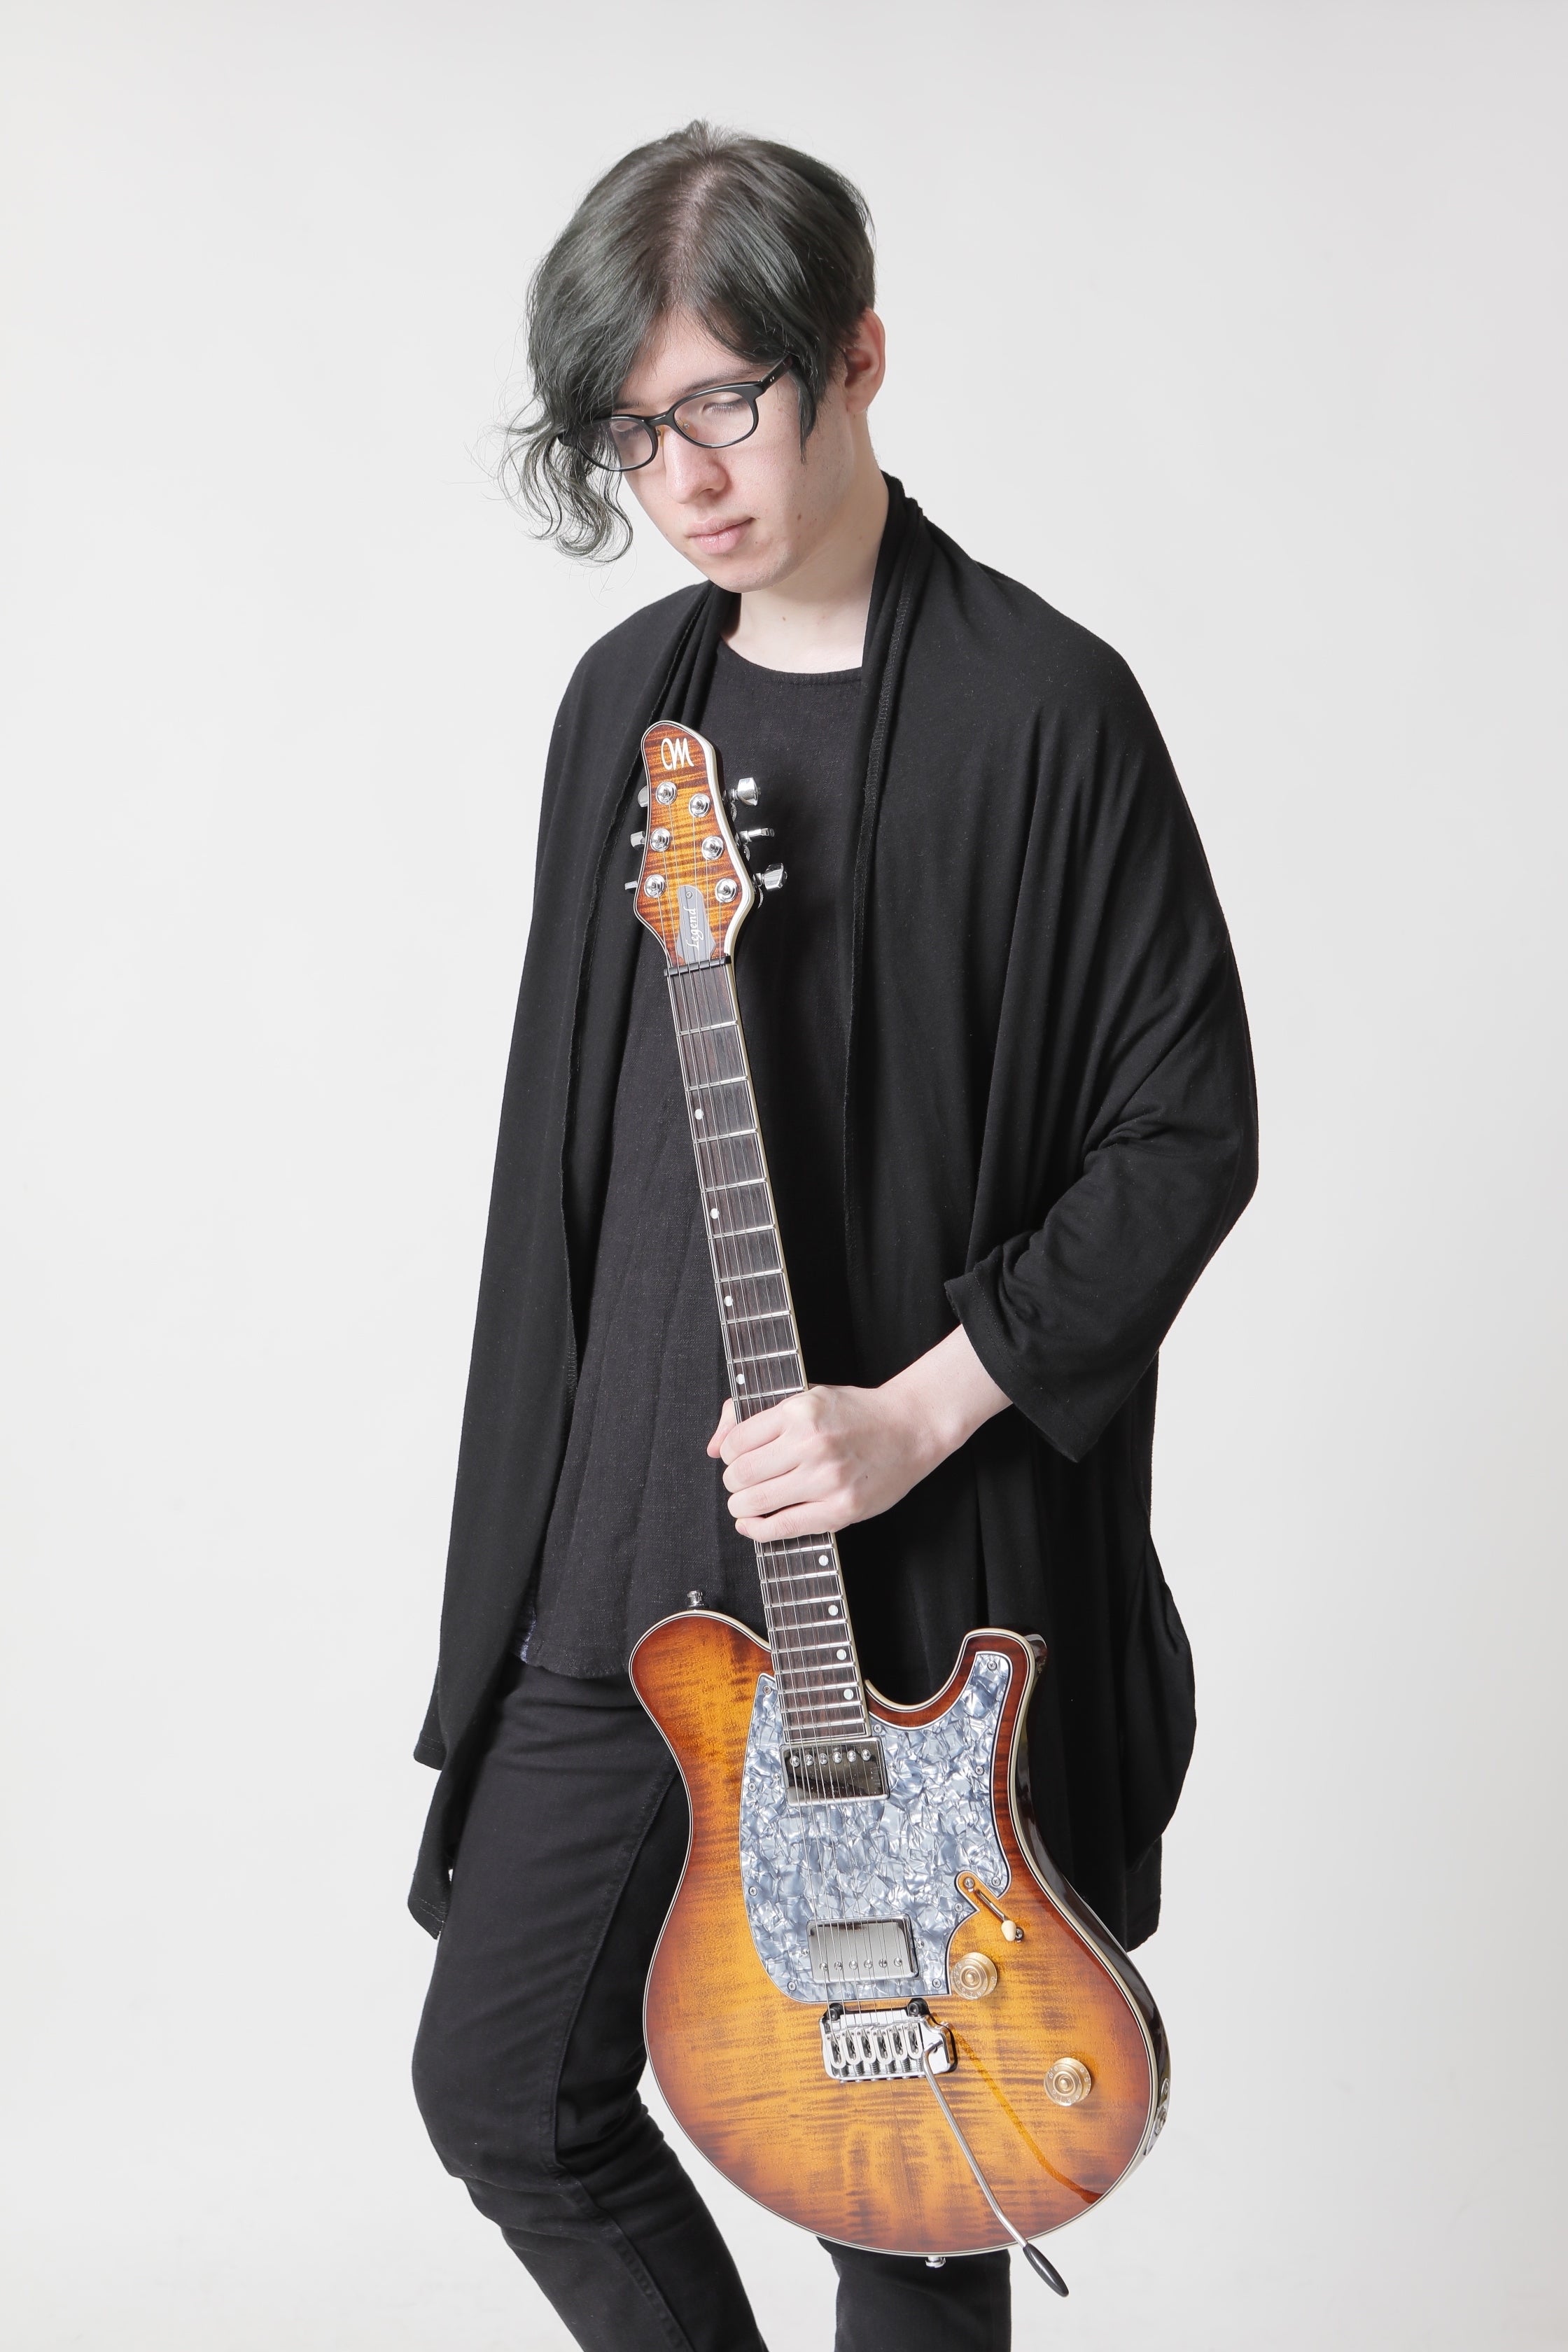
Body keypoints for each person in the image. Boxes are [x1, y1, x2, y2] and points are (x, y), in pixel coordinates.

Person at [410, 121, 1257, 2352]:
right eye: (633, 428)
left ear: (857, 356)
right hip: (631, 1552)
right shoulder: (628, 702)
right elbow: (578, 1164)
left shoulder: (1045, 713)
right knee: (506, 2087)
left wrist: (921, 1412)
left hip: (918, 1581)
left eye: (725, 400)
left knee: (912, 2187)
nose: (682, 476)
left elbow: (1186, 1135)